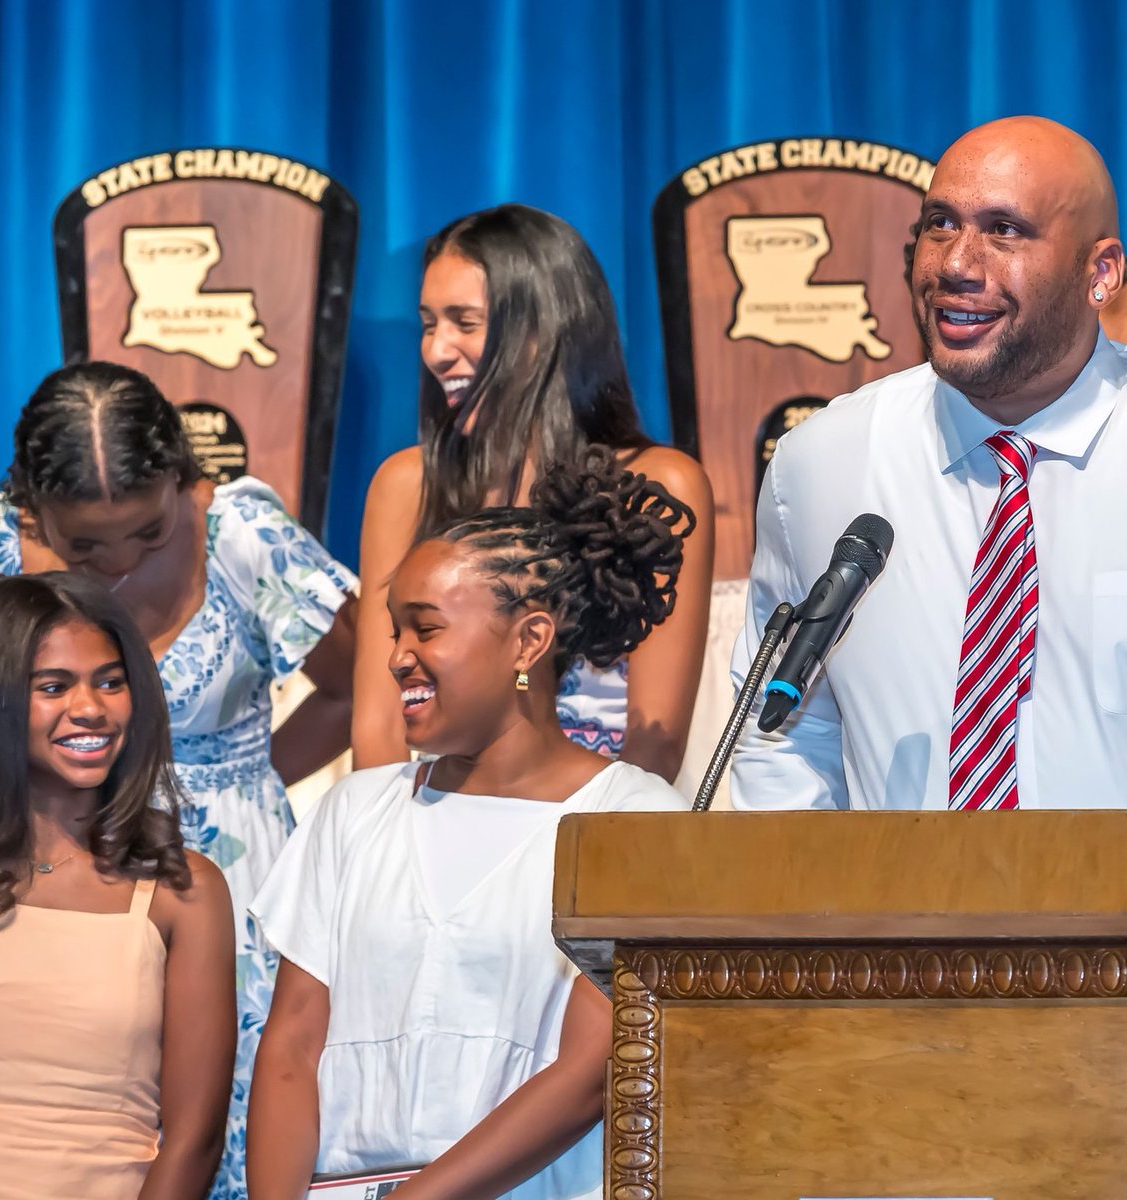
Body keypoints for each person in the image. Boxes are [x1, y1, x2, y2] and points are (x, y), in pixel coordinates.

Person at [0, 362, 358, 1197]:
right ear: (31, 505)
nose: (121, 564)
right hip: (49, 875)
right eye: (84, 545)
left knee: (230, 1126)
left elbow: (360, 686)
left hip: (231, 882)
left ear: (182, 479)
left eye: (148, 532)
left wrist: (236, 784)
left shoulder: (243, 532)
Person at [247, 447, 692, 1200]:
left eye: (426, 630)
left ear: (529, 641)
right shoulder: (355, 812)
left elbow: (593, 1070)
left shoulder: (637, 820)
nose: (396, 658)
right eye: (394, 631)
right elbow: (291, 1045)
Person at [730, 116, 1127, 811]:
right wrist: (811, 911)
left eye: (1005, 230)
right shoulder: (820, 462)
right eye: (940, 223)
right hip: (892, 917)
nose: (955, 264)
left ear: (1100, 273)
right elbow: (782, 732)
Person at [352, 203, 714, 783]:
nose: (436, 351)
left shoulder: (659, 487)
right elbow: (376, 732)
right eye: (428, 323)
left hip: (590, 835)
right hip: (432, 822)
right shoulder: (404, 485)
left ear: (546, 330)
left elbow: (656, 744)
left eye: (464, 323)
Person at [0, 572, 235, 1199]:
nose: (91, 707)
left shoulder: (185, 889)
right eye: (53, 686)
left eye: (110, 682)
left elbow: (195, 1137)